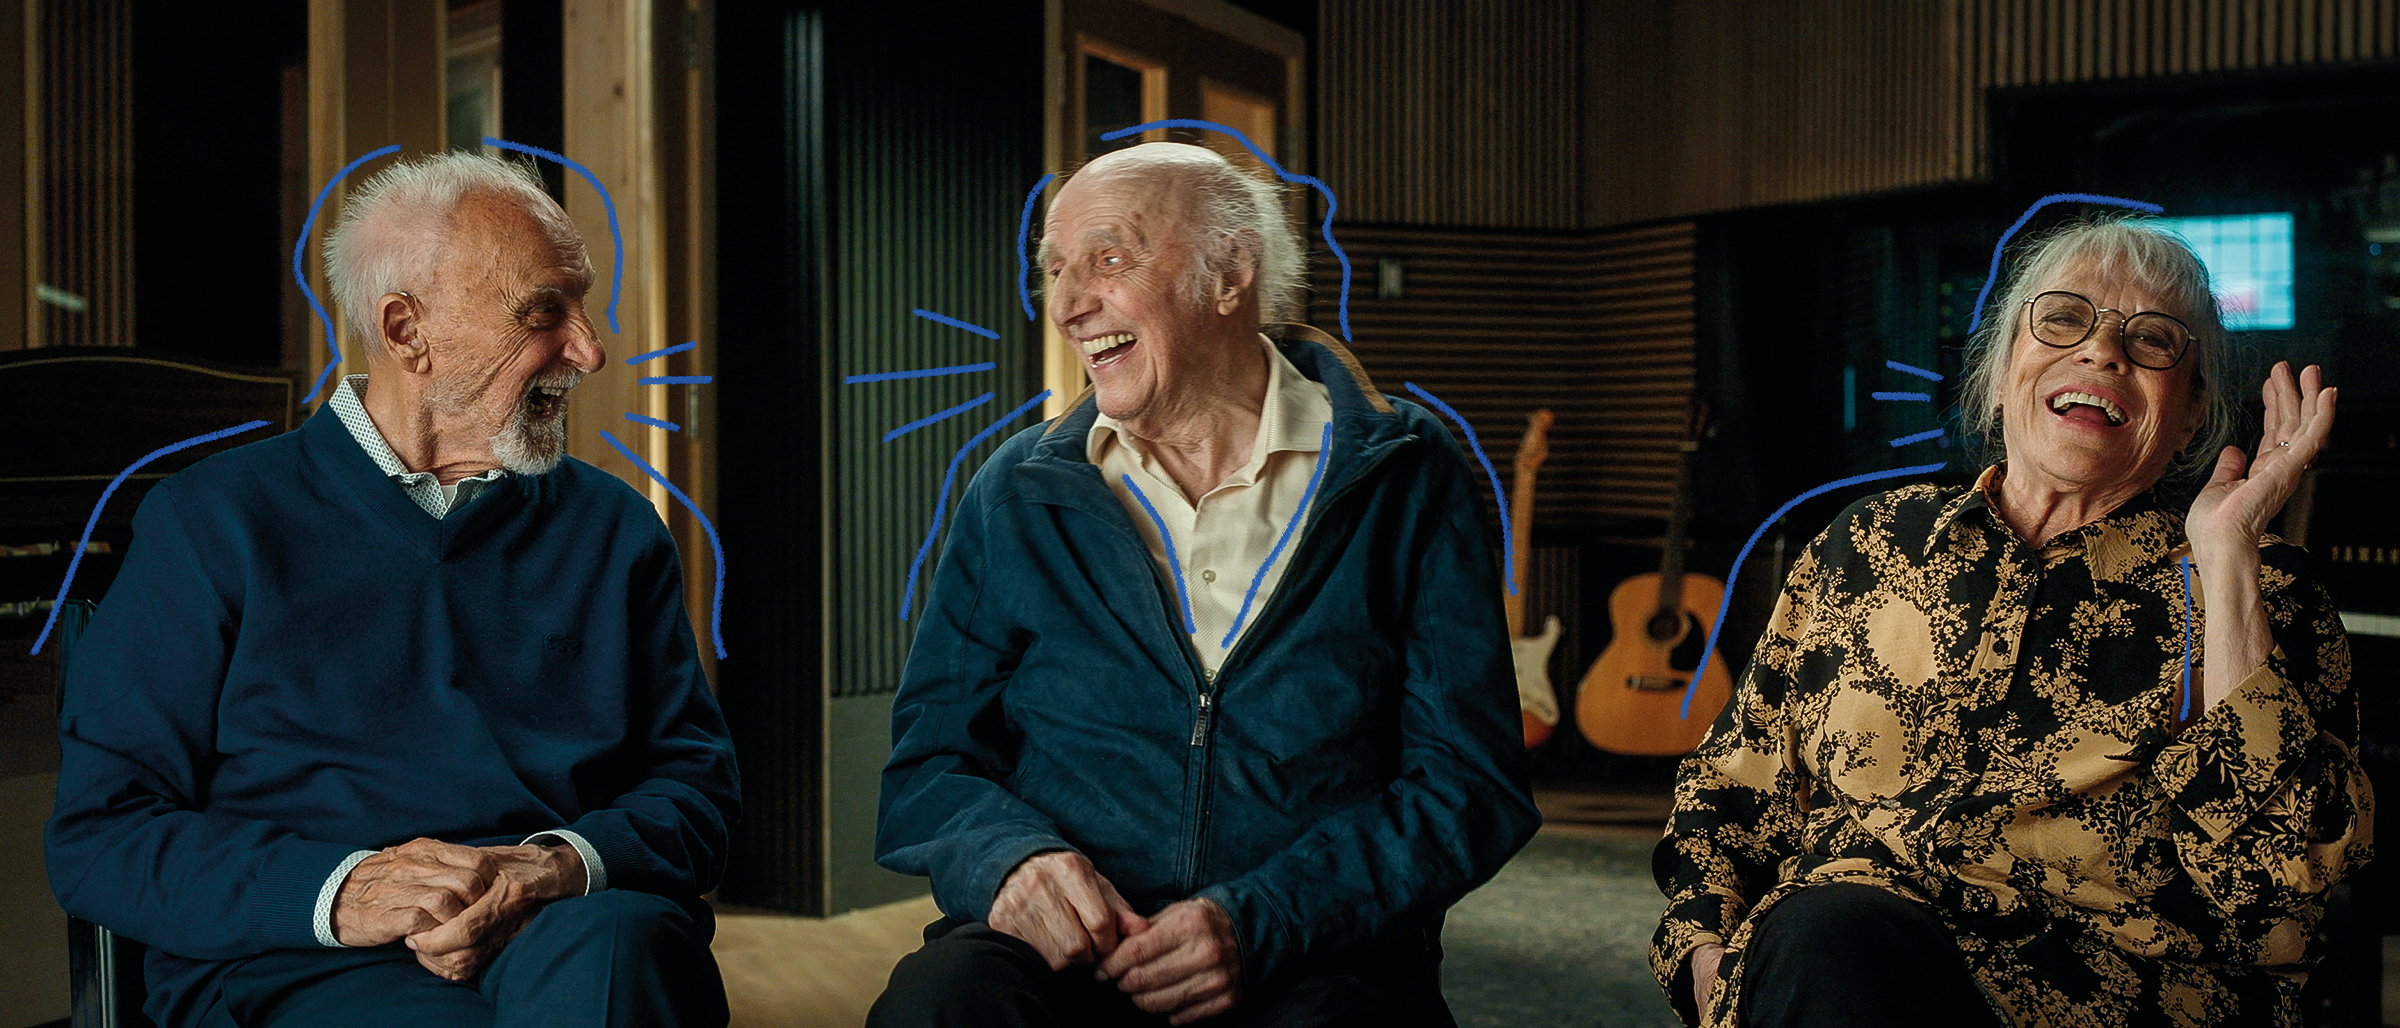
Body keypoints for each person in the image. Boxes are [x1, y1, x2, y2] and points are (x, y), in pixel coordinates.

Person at [46, 151, 740, 1028]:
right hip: (308, 965)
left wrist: (556, 863)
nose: (589, 350)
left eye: (583, 305)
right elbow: (102, 837)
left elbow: (698, 789)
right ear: (406, 330)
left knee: (625, 953)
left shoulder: (613, 530)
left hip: (568, 928)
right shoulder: (211, 523)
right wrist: (343, 893)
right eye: (544, 313)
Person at [869, 142, 1541, 1028]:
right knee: (936, 1007)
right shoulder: (1017, 491)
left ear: (1231, 274)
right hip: (1065, 954)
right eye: (1055, 271)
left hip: (1315, 949)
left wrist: (1261, 919)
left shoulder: (1407, 473)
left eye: (1108, 259)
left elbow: (1470, 782)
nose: (1068, 304)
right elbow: (927, 763)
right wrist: (1005, 860)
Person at [1651, 215, 2370, 1027]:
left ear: (2193, 415)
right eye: (2064, 320)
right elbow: (1730, 789)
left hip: (2103, 998)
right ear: (1998, 373)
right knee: (1828, 932)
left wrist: (2227, 558)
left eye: (2154, 340)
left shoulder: (2261, 590)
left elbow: (2286, 872)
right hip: (1830, 961)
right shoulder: (1867, 543)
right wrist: (1703, 955)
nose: (2102, 352)